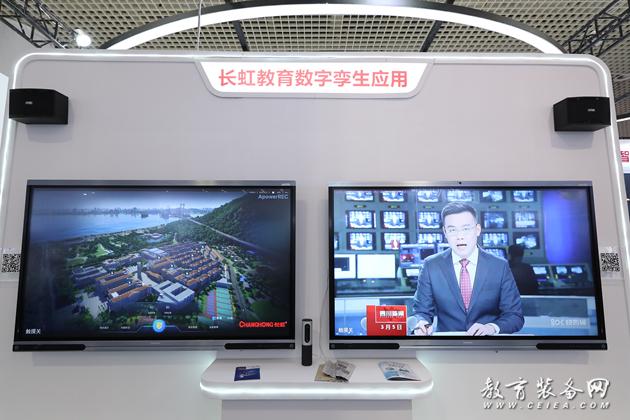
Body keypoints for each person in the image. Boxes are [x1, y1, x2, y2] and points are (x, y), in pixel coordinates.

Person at [412, 202, 524, 336]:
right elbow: (421, 312)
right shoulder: (431, 266)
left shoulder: (499, 266)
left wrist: (491, 328)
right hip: (446, 345)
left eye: (466, 229)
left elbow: (515, 316)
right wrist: (422, 323)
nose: (460, 236)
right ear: (445, 232)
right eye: (452, 230)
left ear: (477, 230)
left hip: (488, 345)